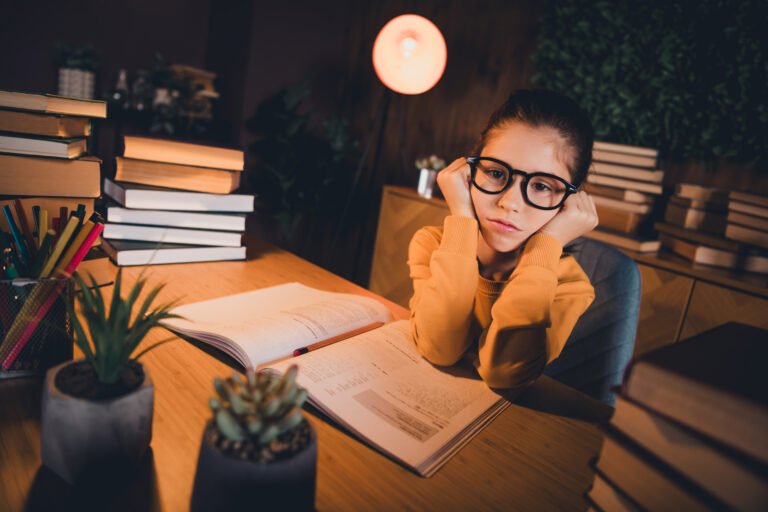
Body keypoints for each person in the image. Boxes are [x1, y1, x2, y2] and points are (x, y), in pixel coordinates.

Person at [408, 89, 599, 391]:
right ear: (469, 173)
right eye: (496, 173)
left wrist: (547, 243)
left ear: (570, 202)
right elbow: (438, 348)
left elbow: (505, 373)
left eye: (540, 186)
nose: (510, 203)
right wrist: (461, 215)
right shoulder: (432, 244)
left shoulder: (569, 287)